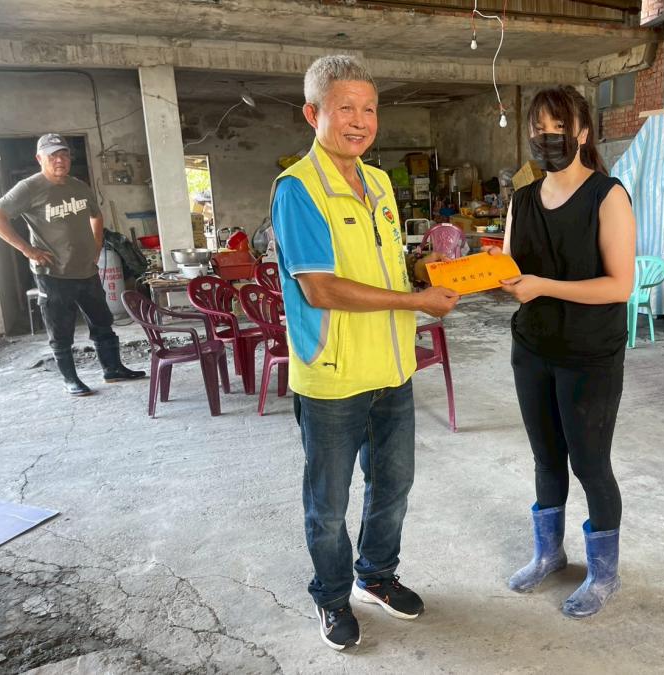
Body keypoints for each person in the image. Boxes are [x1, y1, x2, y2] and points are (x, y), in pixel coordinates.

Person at [270, 55, 458, 650]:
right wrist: (416, 303)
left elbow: (385, 265)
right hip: (332, 375)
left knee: (393, 487)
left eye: (370, 109)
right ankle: (330, 596)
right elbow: (320, 288)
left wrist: (423, 273)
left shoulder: (377, 183)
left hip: (391, 367)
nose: (360, 121)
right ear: (313, 114)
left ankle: (375, 575)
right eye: (345, 108)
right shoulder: (298, 189)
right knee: (328, 504)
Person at [493, 86, 636, 618]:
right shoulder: (522, 199)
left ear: (582, 133)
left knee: (590, 464)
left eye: (559, 128)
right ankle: (548, 554)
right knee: (546, 458)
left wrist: (543, 286)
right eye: (539, 129)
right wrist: (483, 277)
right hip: (532, 348)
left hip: (589, 353)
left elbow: (619, 286)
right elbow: (511, 268)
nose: (547, 137)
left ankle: (604, 573)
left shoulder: (608, 196)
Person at [0, 134, 145, 396]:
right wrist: (27, 250)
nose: (59, 160)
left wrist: (96, 246)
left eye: (64, 154)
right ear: (39, 158)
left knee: (103, 322)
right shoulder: (29, 188)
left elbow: (96, 216)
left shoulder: (79, 186)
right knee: (61, 330)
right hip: (53, 274)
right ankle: (70, 380)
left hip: (86, 270)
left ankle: (113, 369)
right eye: (52, 155)